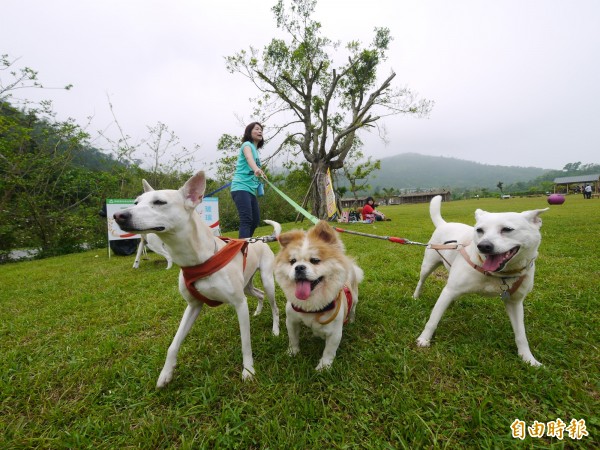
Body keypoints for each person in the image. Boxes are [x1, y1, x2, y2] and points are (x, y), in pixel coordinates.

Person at [230, 122, 266, 238]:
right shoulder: (246, 145)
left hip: (250, 190)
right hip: (240, 187)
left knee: (255, 221)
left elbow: (253, 165)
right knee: (246, 220)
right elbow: (248, 158)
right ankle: (242, 249)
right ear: (249, 132)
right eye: (256, 129)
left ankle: (245, 244)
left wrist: (261, 174)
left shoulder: (256, 151)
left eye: (261, 129)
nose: (260, 131)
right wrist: (256, 169)